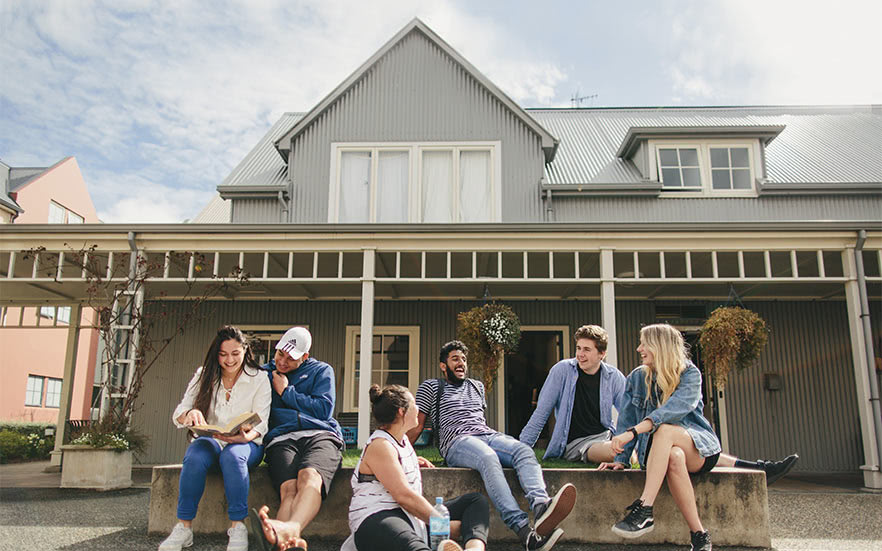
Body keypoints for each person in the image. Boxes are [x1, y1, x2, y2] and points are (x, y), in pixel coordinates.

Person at [599, 324, 798, 551]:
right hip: (658, 455)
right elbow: (626, 418)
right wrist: (621, 459)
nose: (638, 348)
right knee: (673, 456)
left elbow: (673, 410)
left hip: (698, 449)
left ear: (660, 345)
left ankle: (645, 508)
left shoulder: (690, 373)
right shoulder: (636, 377)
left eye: (644, 343)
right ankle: (699, 535)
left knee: (665, 429)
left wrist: (634, 432)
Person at [408, 340, 576, 551]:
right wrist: (402, 450)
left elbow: (478, 420)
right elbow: (418, 424)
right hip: (456, 441)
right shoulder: (431, 386)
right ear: (443, 366)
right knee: (488, 457)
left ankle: (541, 506)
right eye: (455, 359)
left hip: (486, 434)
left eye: (463, 359)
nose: (461, 363)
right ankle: (523, 530)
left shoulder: (477, 387)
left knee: (522, 450)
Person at [159, 326, 272, 551]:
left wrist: (244, 437)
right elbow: (179, 411)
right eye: (223, 354)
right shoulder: (204, 374)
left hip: (246, 443)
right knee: (194, 456)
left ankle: (238, 527)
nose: (229, 360)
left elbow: (263, 423)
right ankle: (184, 528)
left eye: (235, 354)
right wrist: (189, 414)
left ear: (245, 351)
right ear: (216, 354)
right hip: (211, 439)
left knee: (233, 457)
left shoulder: (259, 378)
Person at [342, 384, 490, 551]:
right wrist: (443, 525)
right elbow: (404, 496)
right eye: (414, 404)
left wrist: (413, 461)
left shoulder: (402, 440)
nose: (418, 408)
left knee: (476, 502)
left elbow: (393, 465)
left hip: (409, 517)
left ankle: (473, 549)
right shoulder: (380, 446)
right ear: (401, 411)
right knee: (415, 547)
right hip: (377, 518)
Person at [250, 327, 344, 551]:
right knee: (289, 489)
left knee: (310, 476)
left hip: (320, 434)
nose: (282, 362)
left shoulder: (322, 371)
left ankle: (283, 534)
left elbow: (323, 410)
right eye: (280, 354)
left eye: (291, 358)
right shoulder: (263, 373)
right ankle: (289, 540)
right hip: (282, 438)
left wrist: (286, 393)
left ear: (305, 357)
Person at [519, 325, 626, 464]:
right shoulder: (561, 370)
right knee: (615, 452)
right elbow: (541, 413)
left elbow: (628, 413)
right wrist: (520, 449)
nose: (580, 354)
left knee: (623, 449)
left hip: (606, 437)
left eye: (587, 349)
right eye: (578, 348)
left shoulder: (614, 376)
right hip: (577, 444)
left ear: (602, 354)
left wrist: (631, 440)